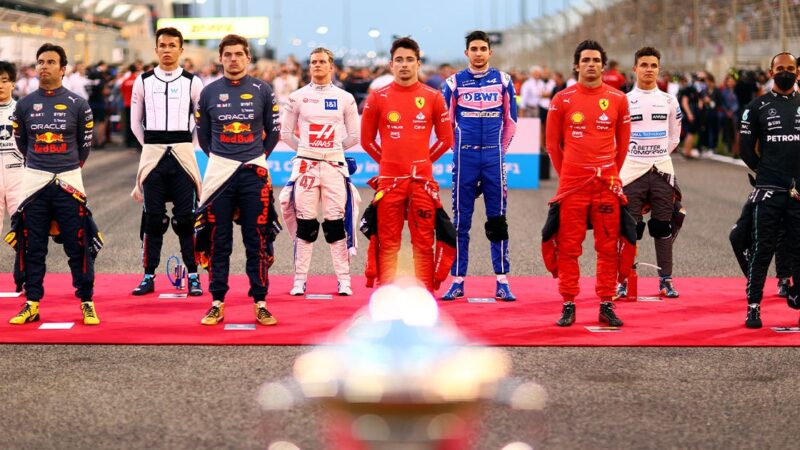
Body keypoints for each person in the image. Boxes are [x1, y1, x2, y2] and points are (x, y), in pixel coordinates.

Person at [8, 43, 100, 325]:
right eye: (40, 62)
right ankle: (32, 303)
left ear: (63, 68)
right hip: (34, 183)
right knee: (31, 246)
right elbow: (22, 144)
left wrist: (64, 167)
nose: (44, 66)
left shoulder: (79, 105)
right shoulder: (23, 105)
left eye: (50, 62)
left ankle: (86, 301)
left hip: (69, 182)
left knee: (78, 245)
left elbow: (84, 148)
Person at [194, 34, 281, 326]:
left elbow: (275, 132)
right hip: (220, 174)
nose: (233, 59)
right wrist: (223, 159)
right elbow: (203, 136)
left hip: (253, 174)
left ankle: (260, 302)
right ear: (220, 58)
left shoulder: (263, 89)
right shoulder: (208, 92)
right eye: (228, 54)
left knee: (255, 239)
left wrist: (254, 157)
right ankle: (217, 301)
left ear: (248, 58)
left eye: (238, 54)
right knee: (219, 241)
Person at [543, 40, 631, 327]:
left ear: (603, 65)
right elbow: (552, 145)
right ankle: (568, 303)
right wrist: (568, 173)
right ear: (576, 65)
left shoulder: (618, 98)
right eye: (586, 60)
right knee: (568, 247)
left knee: (607, 247)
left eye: (596, 60)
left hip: (606, 185)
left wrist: (610, 173)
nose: (591, 64)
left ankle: (606, 303)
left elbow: (624, 144)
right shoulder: (562, 99)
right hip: (573, 187)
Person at [360, 37, 454, 292]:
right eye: (399, 60)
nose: (404, 65)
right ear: (391, 65)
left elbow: (446, 140)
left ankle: (425, 296)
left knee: (423, 243)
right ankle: (387, 298)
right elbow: (366, 141)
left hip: (422, 182)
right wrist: (391, 165)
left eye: (409, 60)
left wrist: (421, 164)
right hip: (390, 183)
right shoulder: (377, 98)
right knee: (388, 243)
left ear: (418, 64)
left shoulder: (433, 97)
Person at [439, 30, 518, 301]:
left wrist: (499, 151)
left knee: (497, 221)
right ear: (466, 53)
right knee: (461, 221)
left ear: (490, 52)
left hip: (493, 159)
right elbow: (445, 124)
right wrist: (459, 151)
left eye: (483, 48)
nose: (479, 53)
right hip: (465, 159)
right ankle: (458, 280)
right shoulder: (453, 83)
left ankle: (502, 280)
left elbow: (511, 122)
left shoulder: (504, 80)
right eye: (474, 49)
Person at [279, 47, 361, 296]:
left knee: (336, 223)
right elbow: (285, 134)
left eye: (322, 61)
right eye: (313, 62)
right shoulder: (297, 97)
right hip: (305, 166)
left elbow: (354, 135)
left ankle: (344, 280)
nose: (317, 65)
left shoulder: (345, 98)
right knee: (306, 224)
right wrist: (306, 150)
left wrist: (332, 151)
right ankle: (299, 280)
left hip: (334, 167)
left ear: (331, 66)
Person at [130, 27, 204, 297]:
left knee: (186, 220)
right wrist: (151, 146)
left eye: (173, 45)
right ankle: (148, 275)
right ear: (156, 49)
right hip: (153, 155)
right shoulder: (143, 80)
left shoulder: (193, 82)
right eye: (162, 45)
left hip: (183, 154)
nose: (167, 50)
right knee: (153, 219)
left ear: (181, 50)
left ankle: (194, 275)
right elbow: (135, 123)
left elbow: (200, 123)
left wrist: (188, 146)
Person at [738, 51, 800, 328]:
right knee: (762, 248)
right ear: (770, 71)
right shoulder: (756, 106)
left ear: (798, 73)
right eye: (780, 68)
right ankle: (753, 306)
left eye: (790, 68)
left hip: (798, 190)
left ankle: (795, 297)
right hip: (768, 188)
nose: (785, 72)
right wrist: (766, 172)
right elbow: (745, 151)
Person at [616, 47, 683, 299]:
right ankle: (623, 281)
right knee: (629, 229)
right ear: (634, 69)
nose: (649, 70)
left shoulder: (669, 101)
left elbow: (674, 137)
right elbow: (617, 139)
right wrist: (637, 158)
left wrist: (654, 155)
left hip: (661, 170)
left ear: (659, 68)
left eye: (653, 65)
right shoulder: (622, 101)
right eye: (644, 65)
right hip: (631, 171)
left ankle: (665, 280)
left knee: (663, 226)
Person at [0, 61, 22, 238]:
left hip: (18, 174)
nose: (0, 85)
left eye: (4, 80)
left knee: (24, 227)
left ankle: (24, 266)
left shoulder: (23, 110)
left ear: (13, 83)